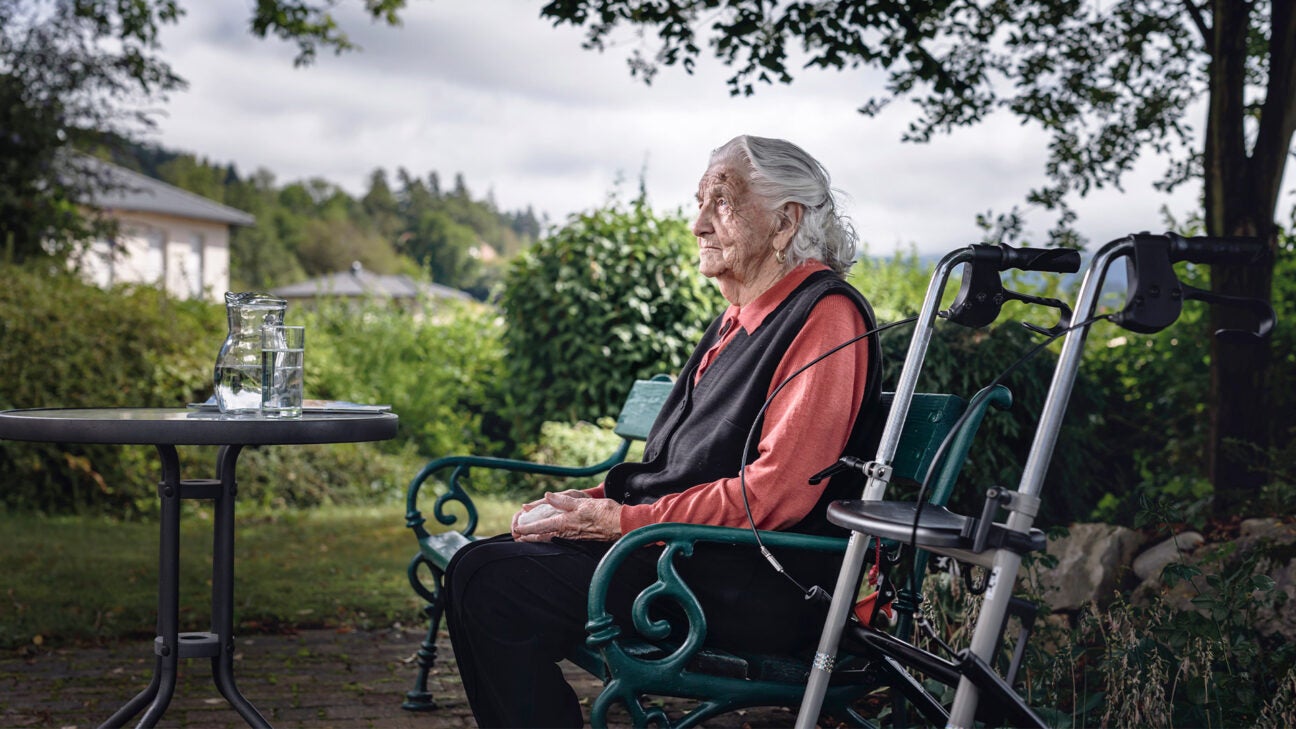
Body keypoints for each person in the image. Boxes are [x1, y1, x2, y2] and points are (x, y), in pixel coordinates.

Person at [444, 135, 882, 728]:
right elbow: (683, 467)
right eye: (698, 201)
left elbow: (775, 496)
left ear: (786, 222)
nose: (698, 223)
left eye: (720, 202)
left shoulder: (825, 315)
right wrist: (592, 503)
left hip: (753, 581)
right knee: (481, 564)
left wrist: (620, 521)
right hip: (686, 556)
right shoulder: (738, 318)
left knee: (491, 583)